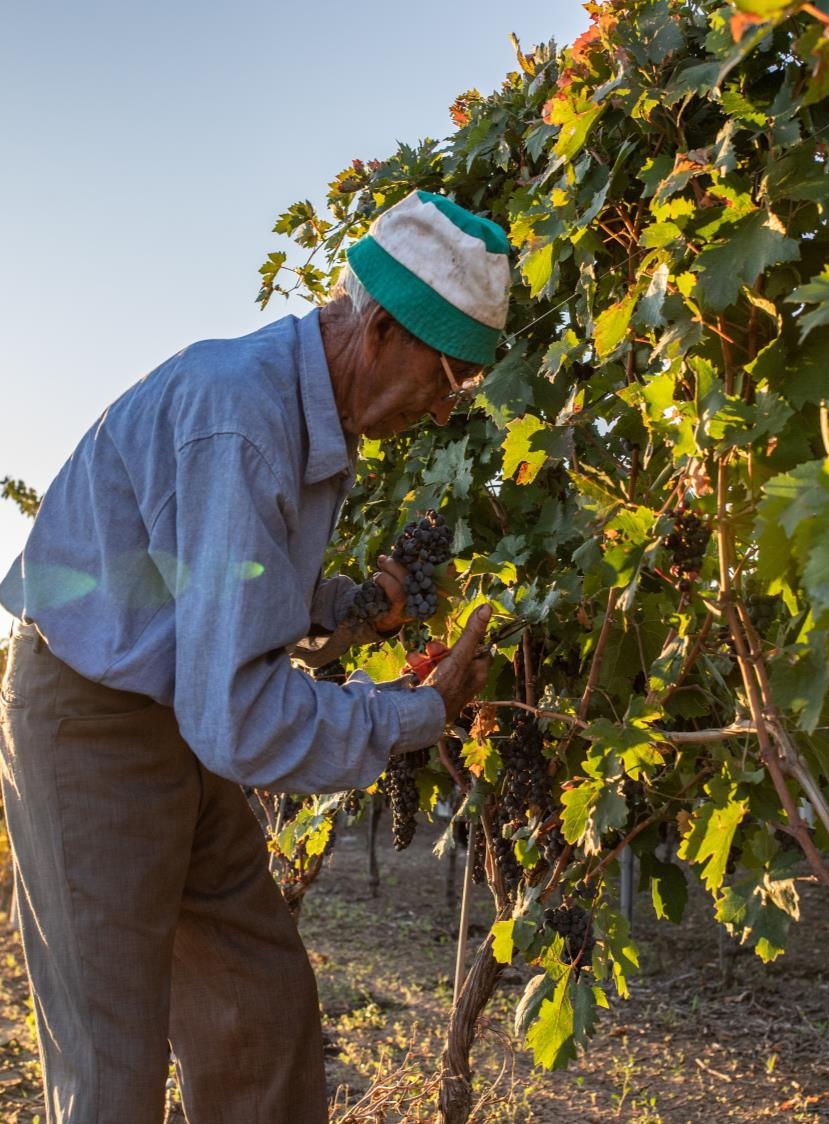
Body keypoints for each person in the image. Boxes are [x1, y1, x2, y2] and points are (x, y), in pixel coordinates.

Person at [0, 189, 512, 1123]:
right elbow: (234, 714)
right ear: (385, 331)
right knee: (114, 1066)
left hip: (169, 711)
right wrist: (418, 711)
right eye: (448, 378)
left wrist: (351, 609)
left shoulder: (295, 419)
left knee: (260, 1009)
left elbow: (214, 596)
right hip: (92, 725)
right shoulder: (244, 424)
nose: (444, 411)